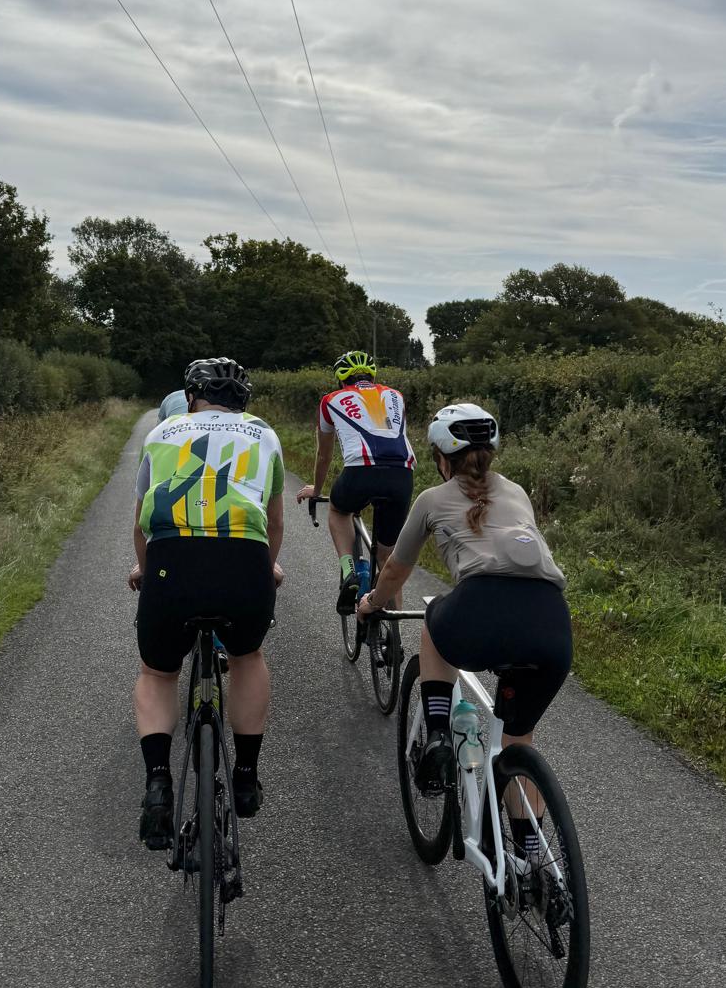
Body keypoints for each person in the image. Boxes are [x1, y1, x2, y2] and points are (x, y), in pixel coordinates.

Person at [357, 402, 571, 803]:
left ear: (441, 458)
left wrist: (372, 603)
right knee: (519, 740)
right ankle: (530, 858)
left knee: (435, 622)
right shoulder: (518, 491)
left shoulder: (432, 499)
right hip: (552, 621)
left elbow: (394, 572)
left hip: (481, 608)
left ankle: (437, 733)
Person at [129, 357, 284, 849]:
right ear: (244, 402)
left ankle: (157, 782)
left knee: (157, 673)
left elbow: (142, 524)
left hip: (171, 562)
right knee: (246, 657)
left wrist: (145, 570)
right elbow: (273, 524)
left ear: (191, 397)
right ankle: (244, 775)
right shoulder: (265, 435)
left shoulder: (163, 433)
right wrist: (266, 568)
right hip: (243, 561)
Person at [295, 350, 415, 613]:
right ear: (372, 375)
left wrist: (317, 489)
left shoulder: (330, 400)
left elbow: (324, 454)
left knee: (339, 510)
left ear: (340, 379)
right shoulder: (396, 396)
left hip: (361, 471)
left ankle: (349, 569)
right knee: (387, 557)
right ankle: (393, 623)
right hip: (402, 474)